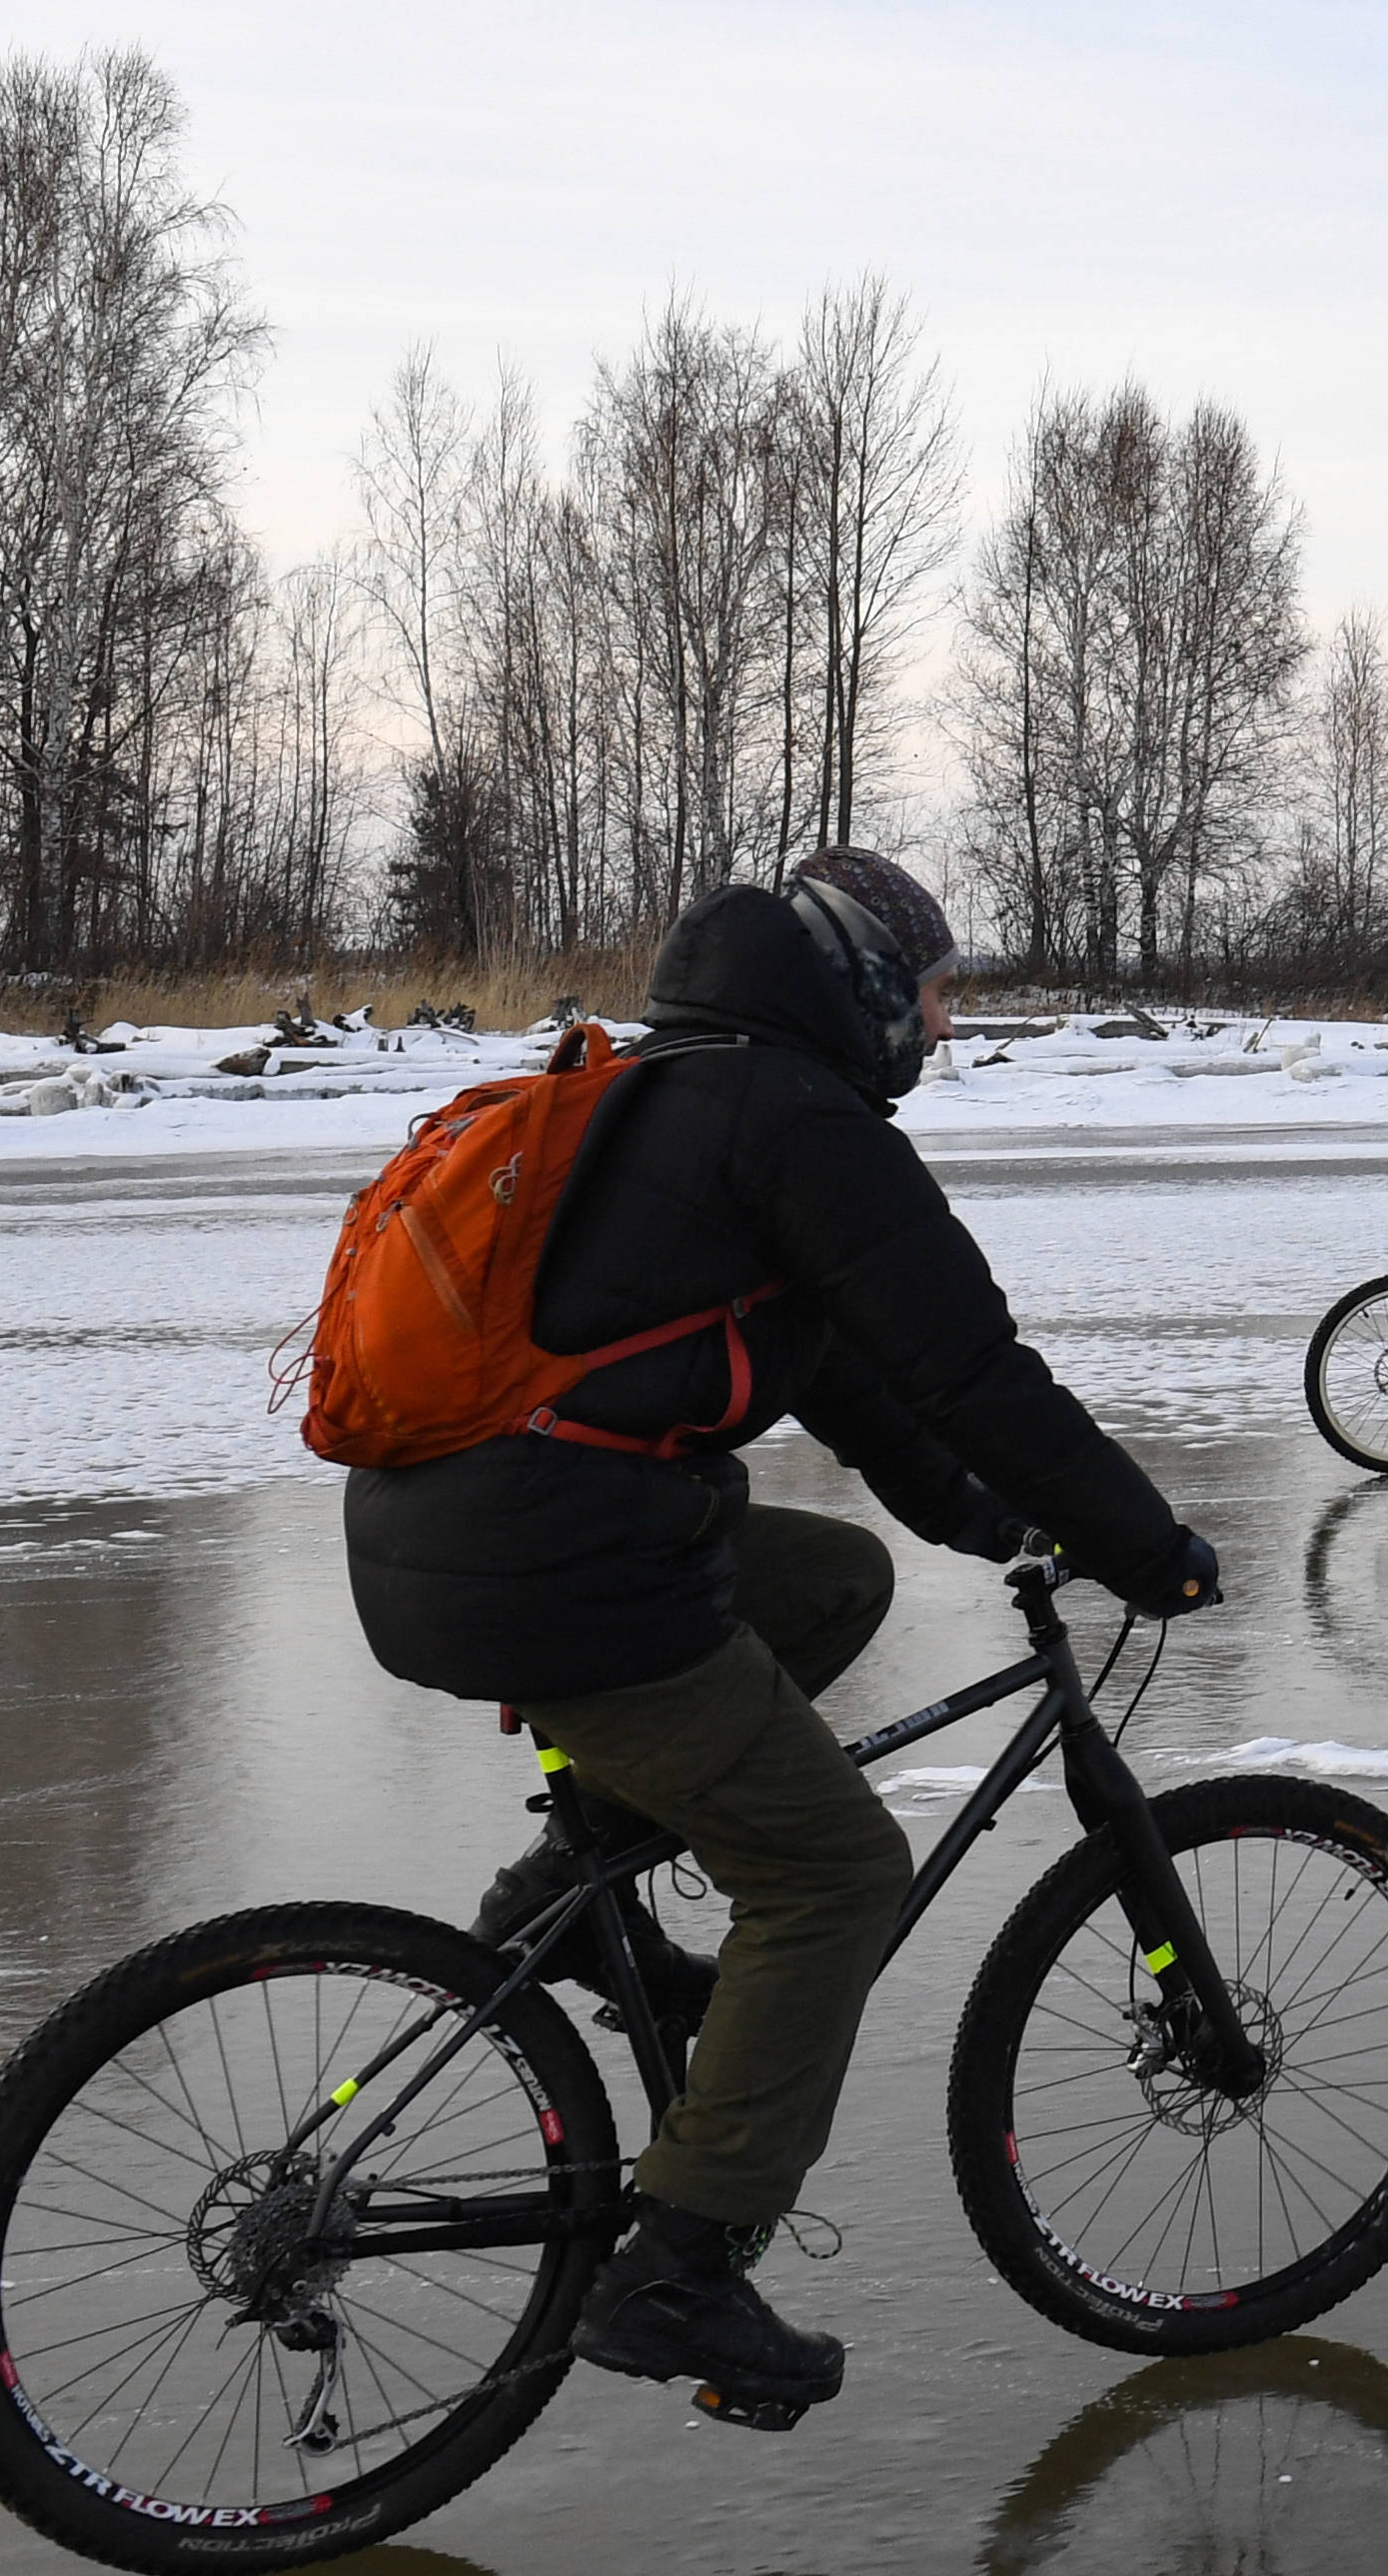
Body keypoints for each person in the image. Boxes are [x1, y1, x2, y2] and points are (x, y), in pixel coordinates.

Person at [341, 845, 1220, 2424]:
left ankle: (579, 1864)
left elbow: (871, 1394)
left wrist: (993, 1519)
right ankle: (678, 2265)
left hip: (450, 1535)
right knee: (833, 1877)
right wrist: (1140, 1542)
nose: (944, 1030)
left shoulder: (682, 1091)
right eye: (937, 994)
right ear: (863, 986)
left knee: (829, 1577)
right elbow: (978, 1370)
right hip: (561, 1564)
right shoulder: (803, 1124)